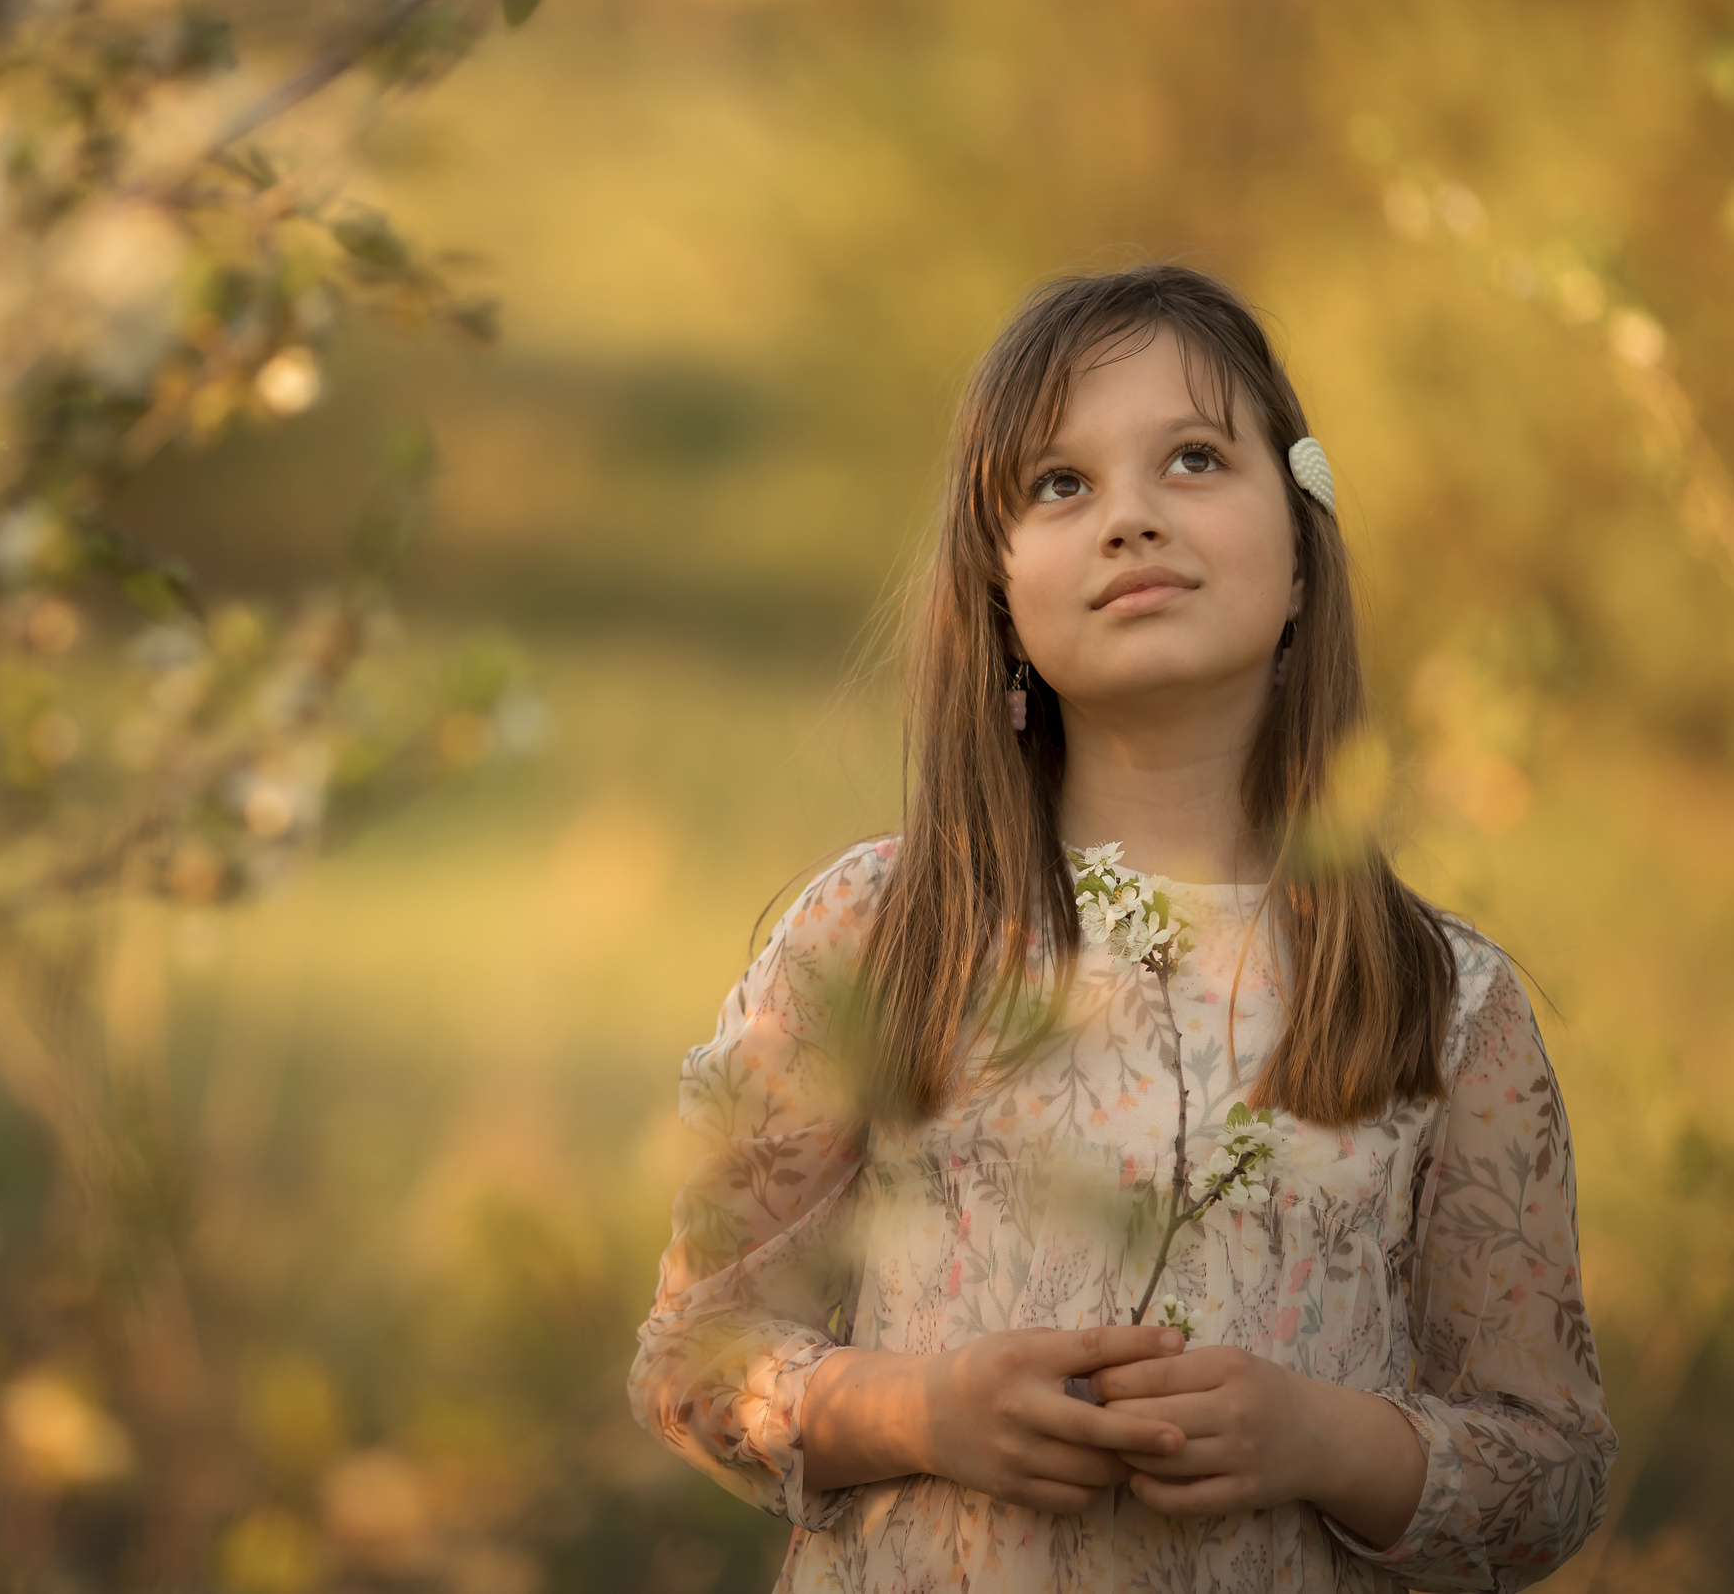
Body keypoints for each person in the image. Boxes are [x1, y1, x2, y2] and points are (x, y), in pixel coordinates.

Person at [627, 263, 1615, 1591]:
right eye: (1060, 486)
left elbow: (1548, 1467)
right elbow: (697, 1352)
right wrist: (921, 1411)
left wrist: (1325, 1440)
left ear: (1304, 543)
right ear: (1000, 593)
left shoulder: (1437, 999)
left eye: (1195, 460)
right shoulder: (884, 936)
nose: (1133, 519)